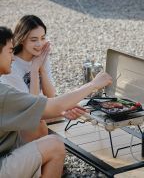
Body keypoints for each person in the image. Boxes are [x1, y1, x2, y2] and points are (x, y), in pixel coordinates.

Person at [0, 26, 112, 178]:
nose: (12, 57)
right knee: (55, 145)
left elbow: (38, 109)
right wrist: (93, 85)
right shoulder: (3, 92)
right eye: (9, 51)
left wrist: (62, 111)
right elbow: (51, 105)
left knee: (36, 126)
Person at [0, 15, 86, 143]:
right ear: (22, 39)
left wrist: (42, 69)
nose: (39, 44)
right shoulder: (11, 65)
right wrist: (34, 70)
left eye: (43, 38)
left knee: (76, 109)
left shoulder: (40, 56)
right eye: (34, 39)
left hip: (41, 111)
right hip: (23, 118)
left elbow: (50, 94)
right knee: (41, 124)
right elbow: (31, 107)